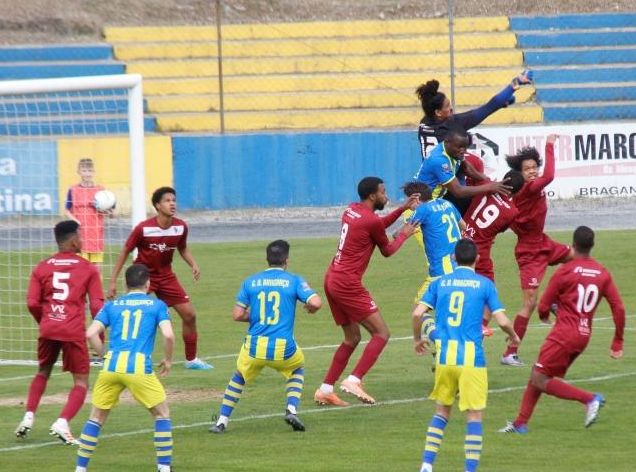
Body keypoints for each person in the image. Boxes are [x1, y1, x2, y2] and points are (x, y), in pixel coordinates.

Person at [412, 238, 519, 472]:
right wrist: (514, 337)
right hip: (472, 361)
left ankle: (426, 469)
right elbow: (502, 319)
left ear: (454, 259)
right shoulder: (484, 284)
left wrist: (419, 338)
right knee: (474, 417)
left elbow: (418, 314)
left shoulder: (439, 283)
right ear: (477, 259)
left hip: (445, 359)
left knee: (441, 413)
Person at [500, 226, 625, 434]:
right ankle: (520, 424)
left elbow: (543, 305)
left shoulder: (565, 271)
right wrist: (617, 341)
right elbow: (618, 308)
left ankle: (589, 399)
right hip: (583, 335)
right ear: (592, 246)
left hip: (564, 333)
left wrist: (544, 315)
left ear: (573, 245)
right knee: (538, 373)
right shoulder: (602, 273)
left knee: (540, 378)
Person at [70, 264, 181, 472]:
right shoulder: (157, 304)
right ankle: (164, 470)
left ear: (125, 284)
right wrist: (168, 360)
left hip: (111, 367)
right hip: (138, 367)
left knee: (96, 418)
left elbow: (90, 333)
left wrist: (104, 356)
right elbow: (168, 335)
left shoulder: (112, 305)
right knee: (161, 414)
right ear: (148, 284)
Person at [313, 176, 419, 407]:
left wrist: (402, 209)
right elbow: (388, 250)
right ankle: (354, 380)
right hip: (347, 284)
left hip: (332, 278)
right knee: (381, 333)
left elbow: (376, 225)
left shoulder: (351, 210)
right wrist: (404, 234)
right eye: (383, 192)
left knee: (352, 338)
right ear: (372, 196)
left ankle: (325, 389)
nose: (386, 196)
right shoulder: (370, 221)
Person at [209, 240, 322, 434]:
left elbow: (237, 315)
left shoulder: (250, 281)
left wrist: (257, 318)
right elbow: (317, 302)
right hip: (283, 348)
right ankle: (291, 409)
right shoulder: (294, 280)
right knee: (297, 369)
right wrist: (310, 307)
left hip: (254, 346)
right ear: (286, 260)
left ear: (267, 259)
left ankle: (221, 421)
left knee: (239, 376)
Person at [16, 220, 104, 445]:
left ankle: (28, 416)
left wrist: (45, 320)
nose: (82, 241)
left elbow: (32, 302)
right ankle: (62, 422)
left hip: (48, 327)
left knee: (43, 371)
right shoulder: (88, 268)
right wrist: (99, 339)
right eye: (80, 237)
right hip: (72, 330)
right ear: (73, 240)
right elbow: (96, 307)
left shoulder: (42, 267)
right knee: (81, 382)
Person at [107, 186, 213, 370]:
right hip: (142, 277)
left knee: (190, 315)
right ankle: (123, 356)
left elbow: (182, 247)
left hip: (166, 277)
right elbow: (126, 250)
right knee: (135, 319)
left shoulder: (180, 227)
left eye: (174, 200)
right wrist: (113, 281)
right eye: (167, 200)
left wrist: (193, 264)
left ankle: (191, 360)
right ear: (157, 205)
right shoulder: (144, 228)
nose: (172, 203)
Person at [500, 134, 573, 366]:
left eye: (534, 167)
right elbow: (550, 175)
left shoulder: (529, 187)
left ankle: (552, 300)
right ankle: (509, 353)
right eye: (527, 168)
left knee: (576, 259)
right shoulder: (528, 189)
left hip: (544, 242)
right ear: (520, 174)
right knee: (529, 303)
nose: (532, 171)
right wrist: (550, 145)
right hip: (529, 251)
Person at [461, 168, 525, 336]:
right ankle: (481, 325)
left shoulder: (485, 185)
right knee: (489, 292)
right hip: (478, 252)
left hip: (460, 242)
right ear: (518, 191)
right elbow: (497, 229)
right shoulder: (512, 211)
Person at [416, 71, 534, 161]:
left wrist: (499, 105)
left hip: (429, 182)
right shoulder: (451, 125)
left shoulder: (424, 123)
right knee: (475, 163)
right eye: (447, 106)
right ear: (438, 112)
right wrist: (515, 83)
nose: (451, 108)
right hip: (447, 182)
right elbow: (486, 108)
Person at [63, 158, 112, 274]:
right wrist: (76, 222)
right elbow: (67, 211)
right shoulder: (73, 190)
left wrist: (110, 213)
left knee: (97, 265)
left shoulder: (100, 191)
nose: (87, 174)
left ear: (94, 172)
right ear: (79, 172)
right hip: (80, 234)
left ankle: (97, 287)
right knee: (81, 265)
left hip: (96, 233)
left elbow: (108, 212)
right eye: (84, 171)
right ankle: (83, 289)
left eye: (89, 171)